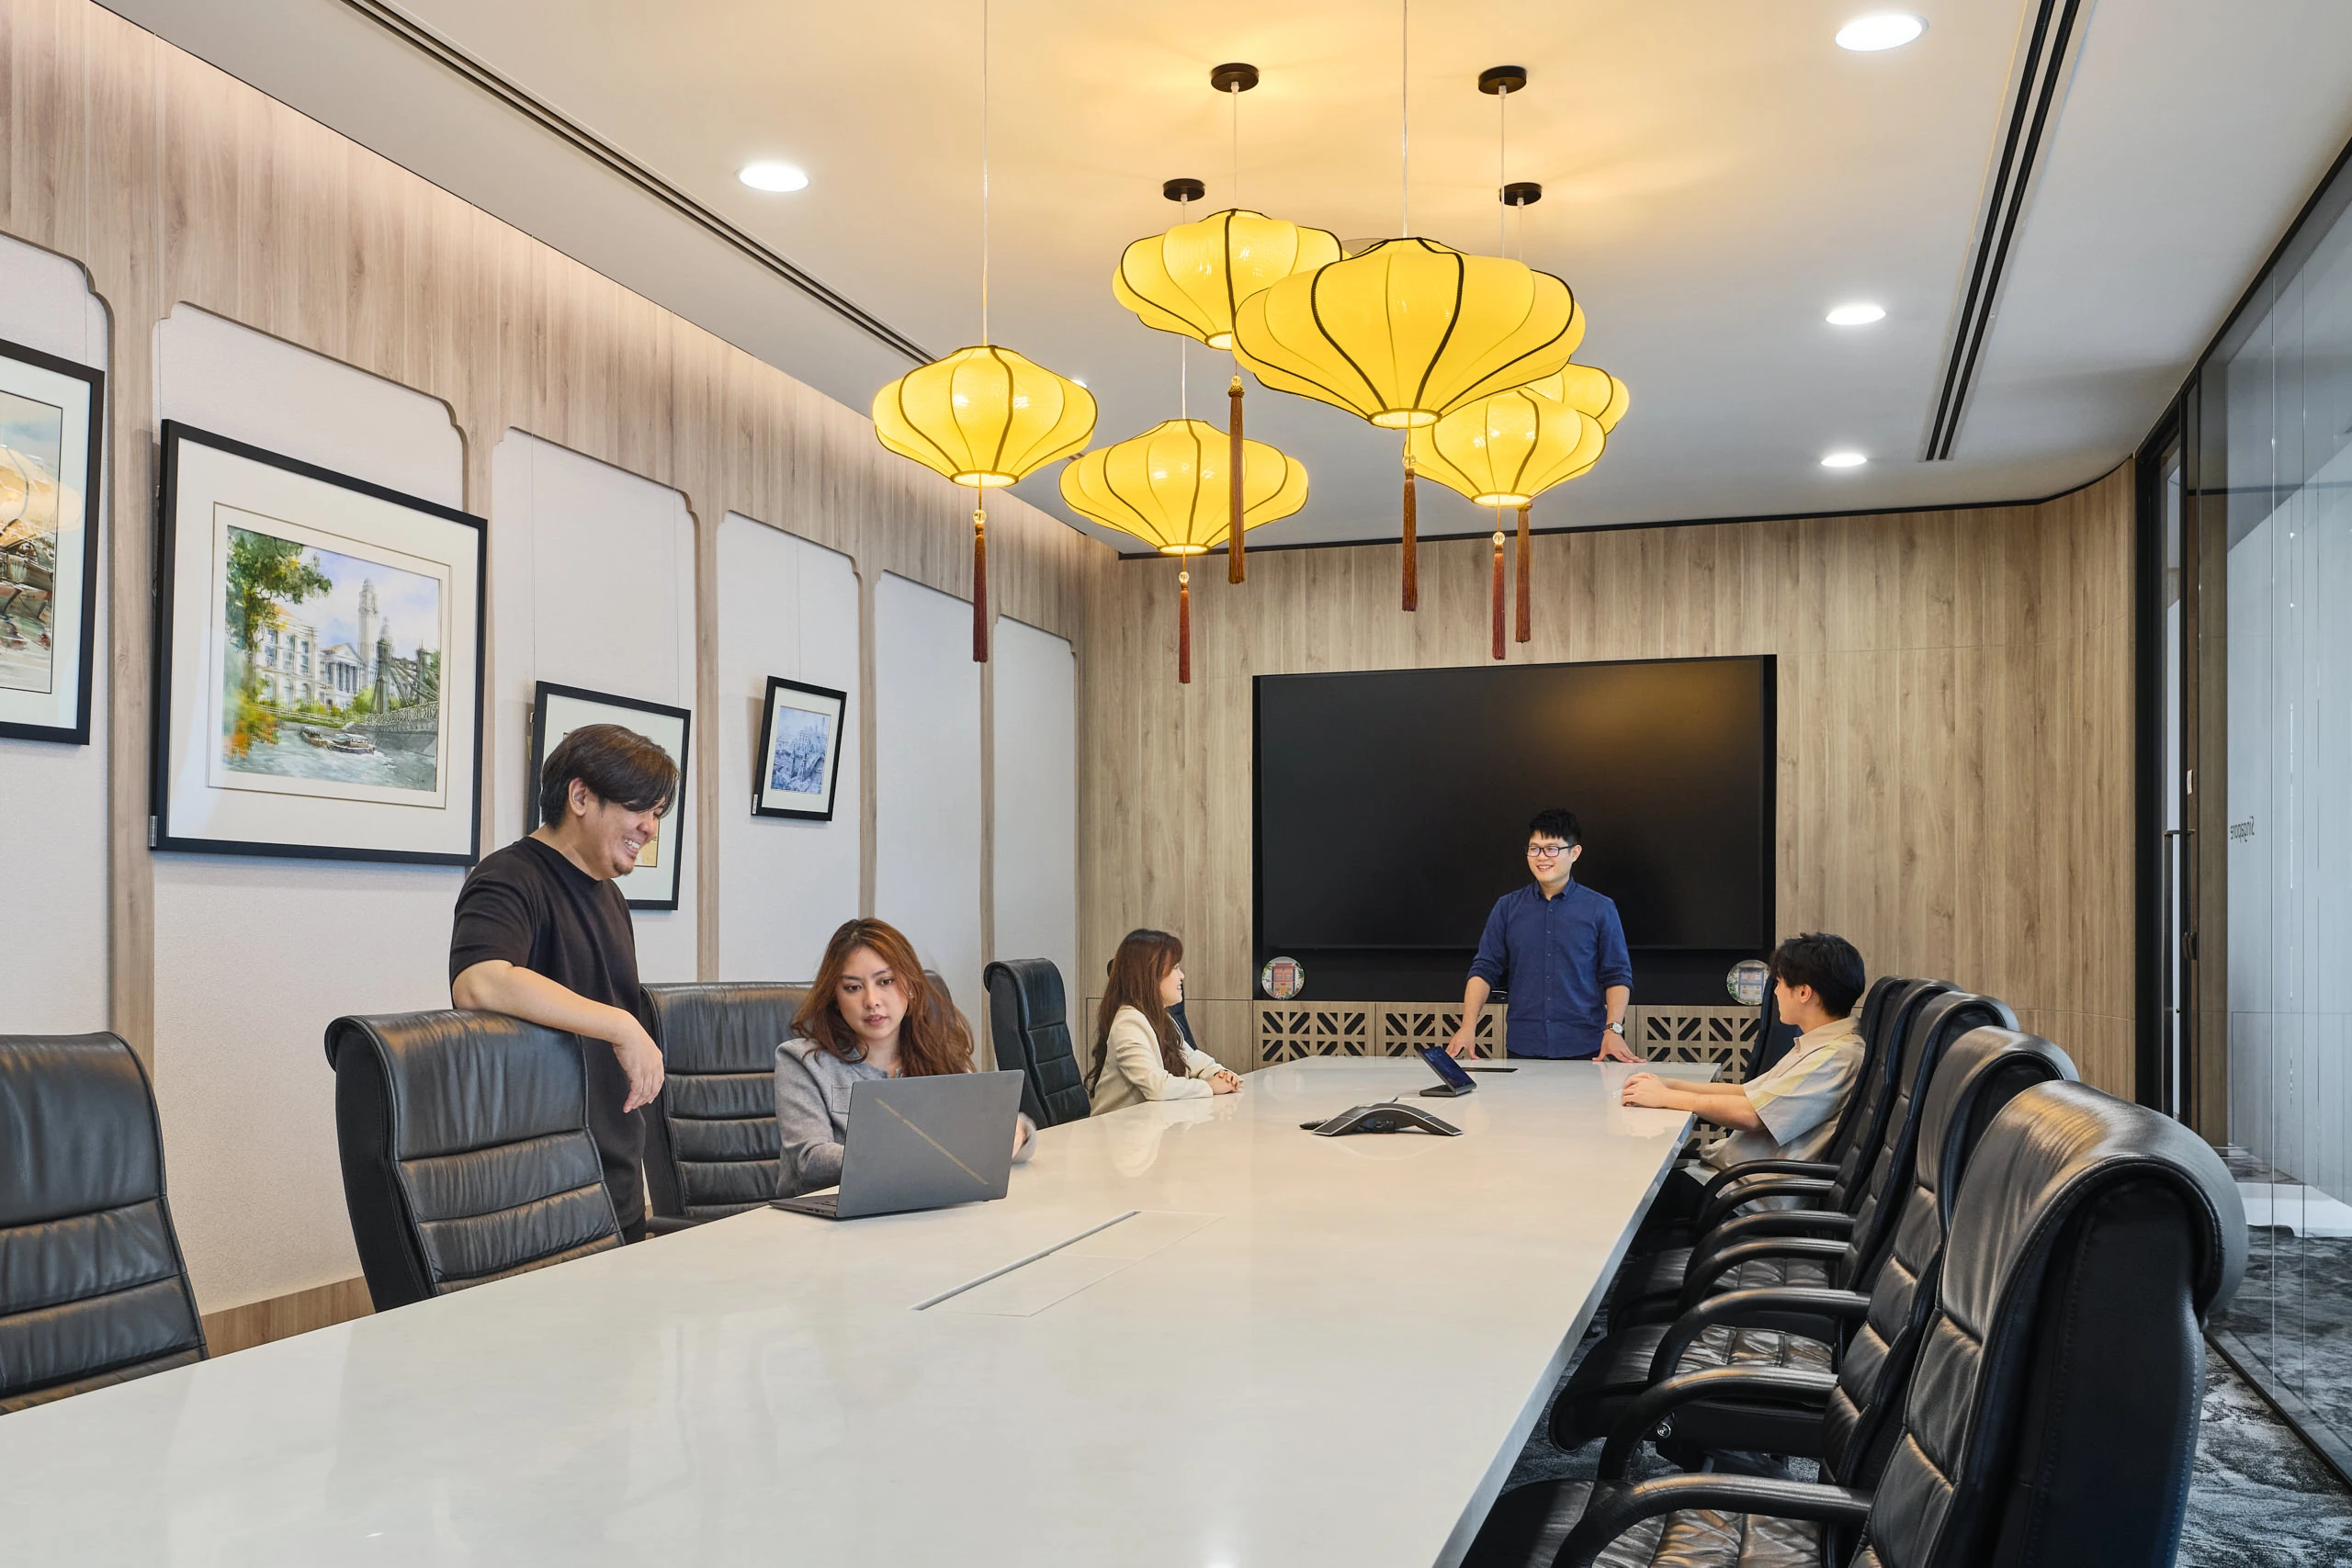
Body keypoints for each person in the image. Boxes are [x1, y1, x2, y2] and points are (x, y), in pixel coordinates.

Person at [450, 724, 674, 1241]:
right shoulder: (507, 877)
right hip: (540, 1186)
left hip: (615, 1173)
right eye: (639, 809)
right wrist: (622, 1025)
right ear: (580, 797)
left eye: (658, 814)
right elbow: (480, 982)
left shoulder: (610, 896)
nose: (649, 828)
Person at [1619, 931, 1869, 1243]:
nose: (1775, 992)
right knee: (1637, 1174)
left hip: (1744, 1198)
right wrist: (1669, 1085)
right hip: (1732, 1181)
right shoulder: (1822, 1045)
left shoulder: (1836, 1057)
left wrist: (1666, 1097)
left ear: (1804, 992)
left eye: (1780, 983)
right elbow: (1747, 1092)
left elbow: (1751, 1114)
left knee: (1626, 1189)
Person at [774, 918, 1035, 1199]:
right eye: (853, 988)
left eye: (885, 982)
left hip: (924, 1210)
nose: (871, 1000)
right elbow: (810, 1160)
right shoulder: (802, 1061)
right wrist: (924, 1157)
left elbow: (1001, 1129)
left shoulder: (936, 1054)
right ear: (835, 997)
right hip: (828, 1216)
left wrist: (1016, 1132)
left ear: (910, 986)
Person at [1447, 809, 1636, 1062]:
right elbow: (1484, 968)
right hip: (1523, 1047)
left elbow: (1617, 975)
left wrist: (1613, 1030)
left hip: (1586, 1048)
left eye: (1552, 849)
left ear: (1575, 853)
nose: (1541, 857)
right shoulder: (1507, 907)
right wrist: (1468, 1025)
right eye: (1534, 849)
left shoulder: (1600, 908)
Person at [1088, 929, 1241, 1114]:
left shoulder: (1159, 1017)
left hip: (1150, 1124)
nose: (1182, 976)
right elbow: (1157, 1087)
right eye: (1175, 968)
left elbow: (1192, 1059)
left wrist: (1220, 1074)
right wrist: (1209, 1087)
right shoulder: (1128, 1023)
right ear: (1150, 975)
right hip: (1118, 1128)